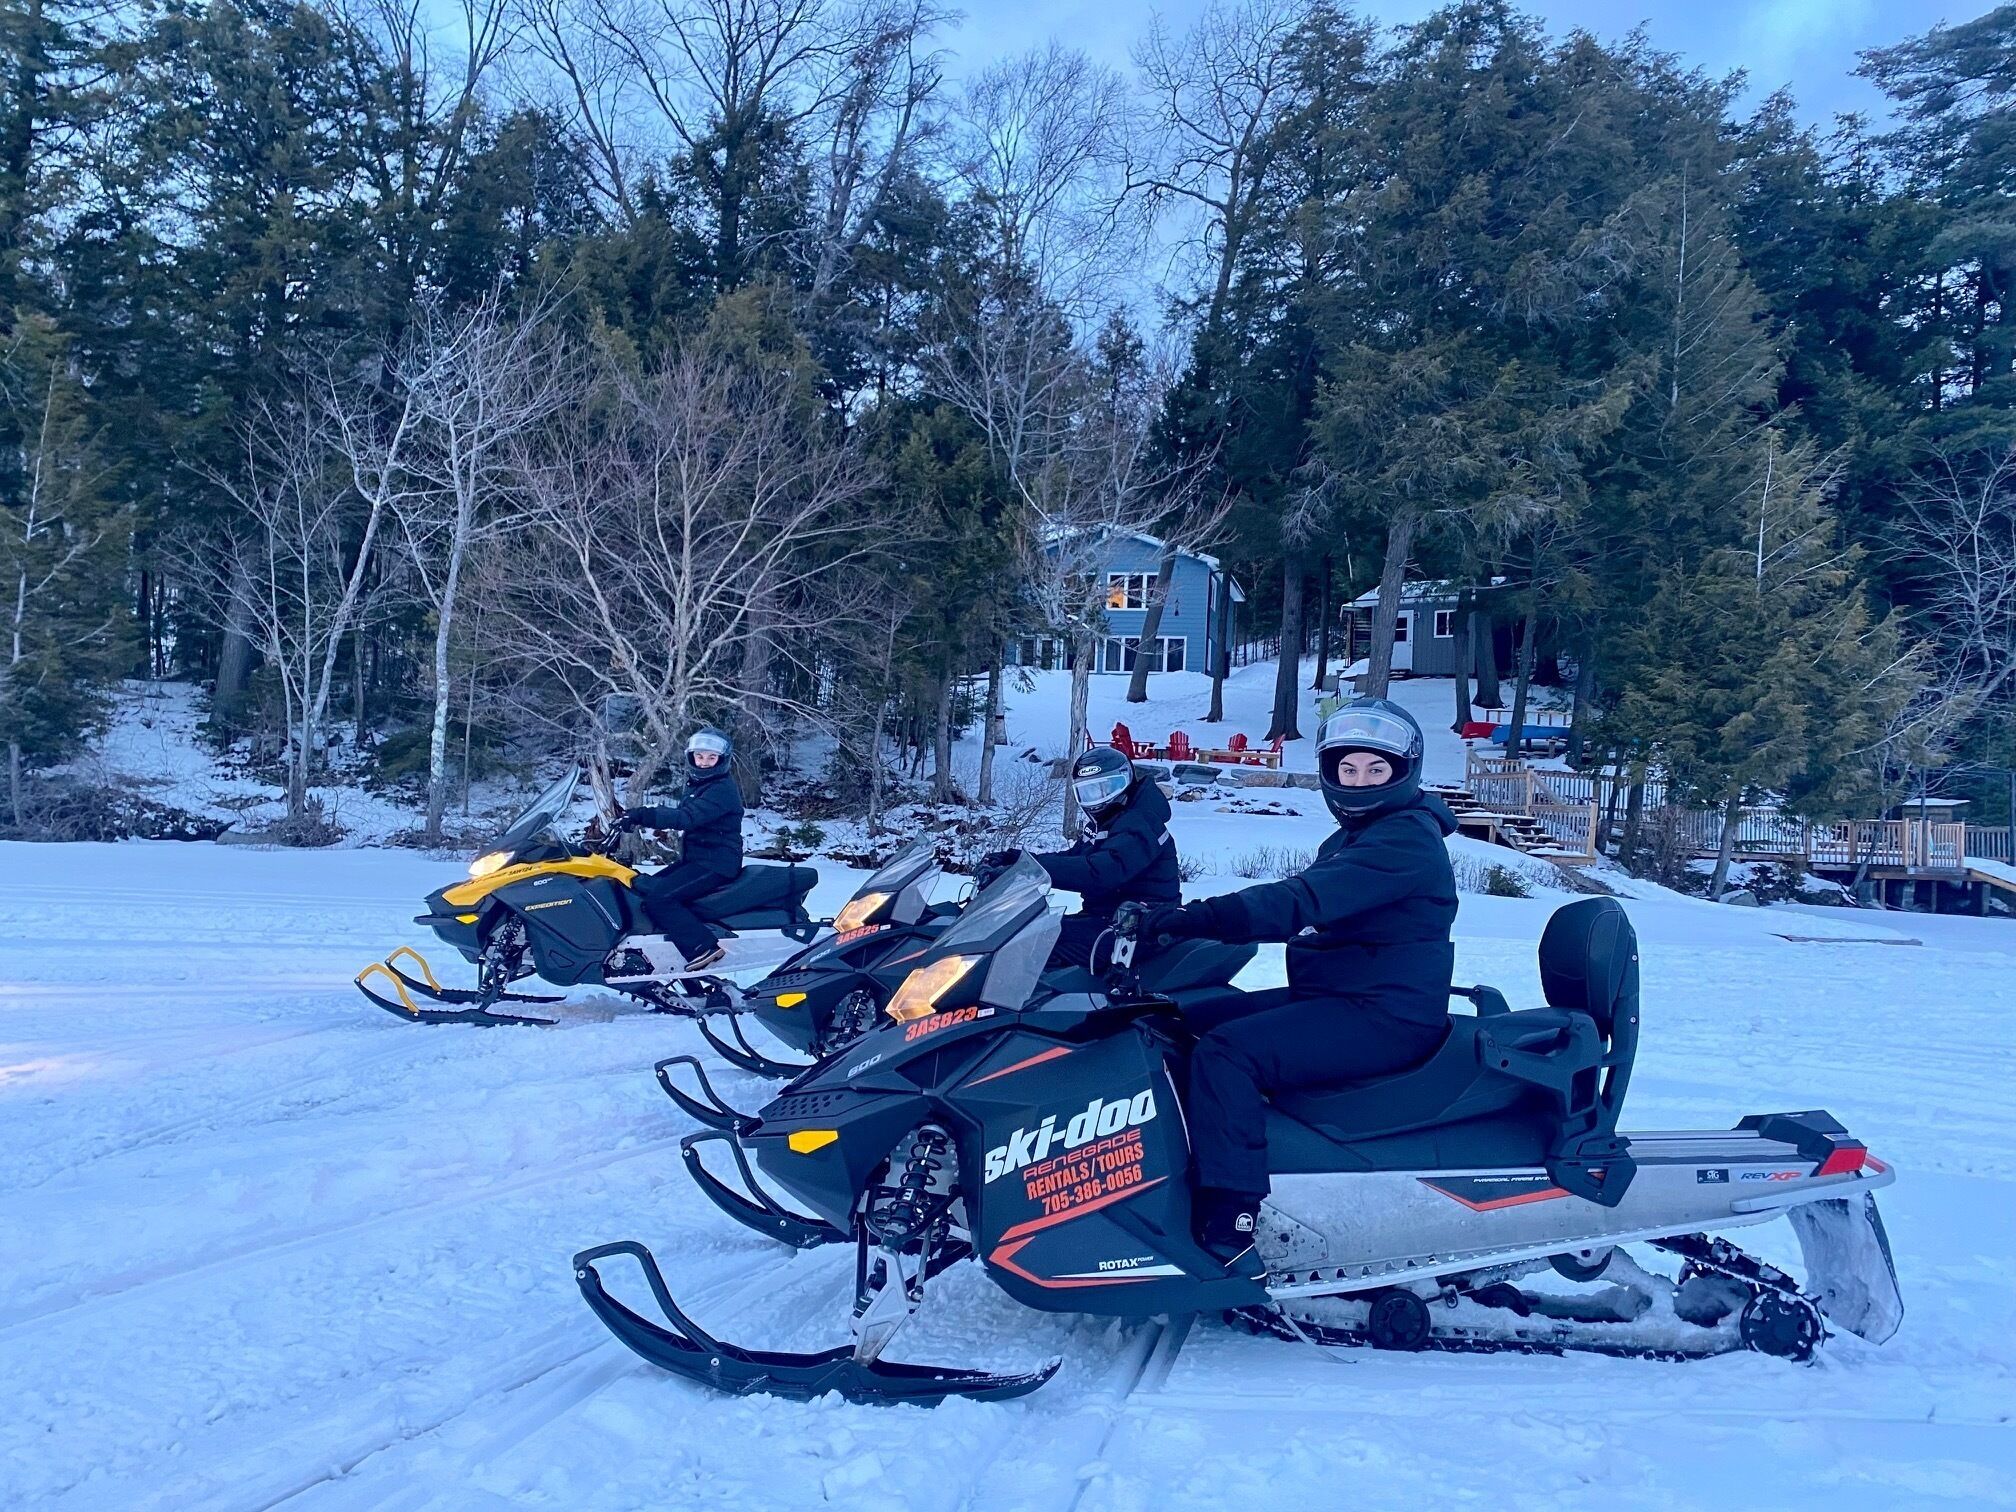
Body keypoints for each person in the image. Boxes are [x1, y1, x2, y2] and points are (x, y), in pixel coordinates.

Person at [1142, 698, 1459, 1268]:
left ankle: (1231, 1214)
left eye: (1375, 770)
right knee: (1180, 1021)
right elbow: (1304, 904)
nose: (1358, 781)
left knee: (1227, 1052)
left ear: (1403, 773)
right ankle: (1174, 1167)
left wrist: (1195, 917)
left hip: (1384, 1015)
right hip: (1341, 995)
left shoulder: (1405, 838)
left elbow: (1301, 901)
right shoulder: (1360, 838)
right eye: (1347, 769)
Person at [976, 746, 1181, 970]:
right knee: (1022, 933)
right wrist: (1016, 860)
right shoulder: (1112, 821)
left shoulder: (1141, 822)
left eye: (1107, 788)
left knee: (1031, 945)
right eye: (1089, 791)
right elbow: (1074, 858)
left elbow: (1100, 871)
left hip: (1140, 929)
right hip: (1109, 920)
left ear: (1127, 781)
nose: (1097, 799)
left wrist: (1028, 870)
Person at [613, 727, 743, 972]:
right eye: (700, 757)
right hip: (697, 858)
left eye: (711, 758)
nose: (704, 763)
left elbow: (686, 817)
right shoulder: (700, 784)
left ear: (721, 761)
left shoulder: (721, 789)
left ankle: (703, 948)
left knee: (659, 897)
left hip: (716, 863)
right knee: (642, 887)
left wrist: (644, 815)